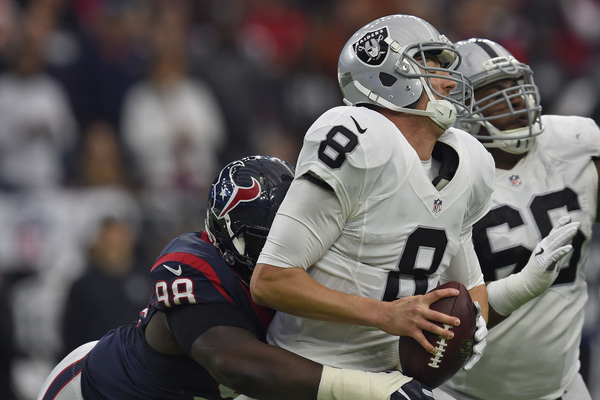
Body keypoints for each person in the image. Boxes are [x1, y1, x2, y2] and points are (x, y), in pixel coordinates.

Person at [37, 155, 435, 400]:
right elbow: (236, 364)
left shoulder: (296, 269)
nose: (297, 246)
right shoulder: (192, 265)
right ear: (235, 238)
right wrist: (366, 390)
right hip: (96, 391)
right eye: (277, 237)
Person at [250, 14, 494, 374]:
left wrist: (473, 326)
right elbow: (271, 280)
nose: (448, 80)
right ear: (390, 77)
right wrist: (384, 314)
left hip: (394, 380)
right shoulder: (359, 139)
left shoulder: (467, 161)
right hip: (309, 371)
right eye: (432, 65)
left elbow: (472, 287)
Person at [435, 38, 598, 400]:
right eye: (494, 91)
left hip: (565, 385)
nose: (515, 100)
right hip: (462, 391)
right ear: (458, 106)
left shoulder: (574, 144)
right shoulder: (442, 174)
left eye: (516, 85)